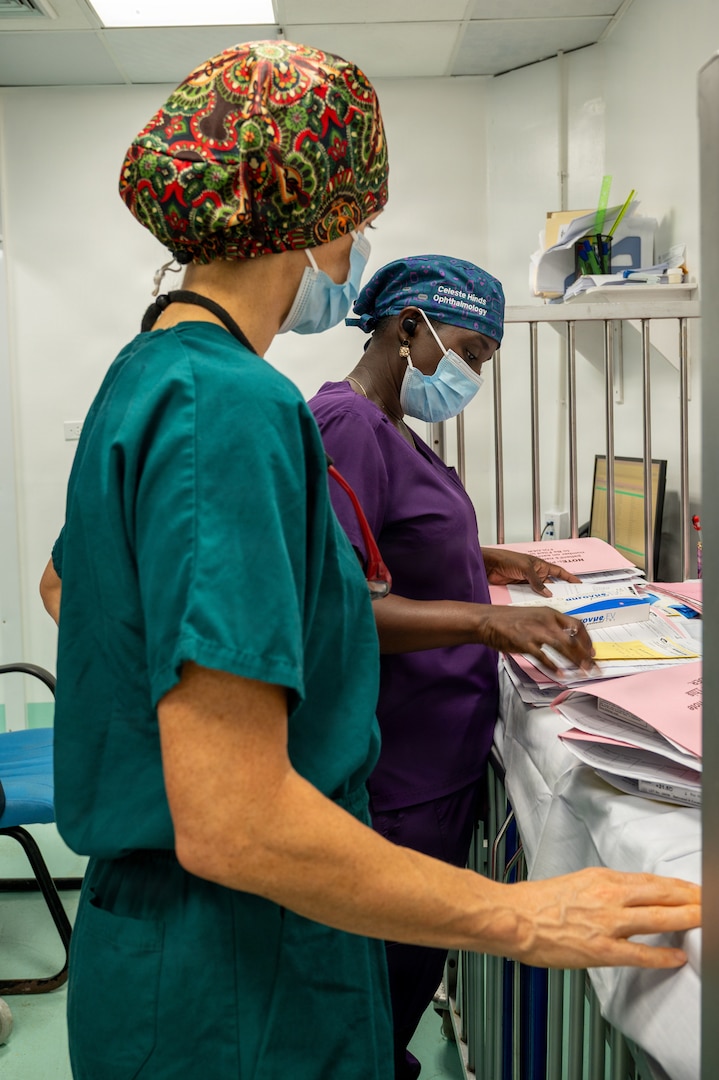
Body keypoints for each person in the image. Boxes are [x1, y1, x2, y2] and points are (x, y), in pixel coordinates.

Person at [38, 41, 699, 1080]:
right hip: (237, 969)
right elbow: (238, 825)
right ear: (313, 216)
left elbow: (68, 585)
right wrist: (521, 916)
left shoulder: (149, 371)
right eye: (358, 218)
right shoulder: (232, 408)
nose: (354, 244)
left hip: (171, 943)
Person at [305, 254, 650, 1077]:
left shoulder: (389, 428)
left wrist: (492, 560)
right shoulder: (349, 425)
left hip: (438, 753)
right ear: (407, 328)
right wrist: (494, 624)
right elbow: (341, 607)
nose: (474, 372)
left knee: (407, 974)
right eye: (472, 350)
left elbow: (397, 544)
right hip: (401, 765)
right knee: (376, 995)